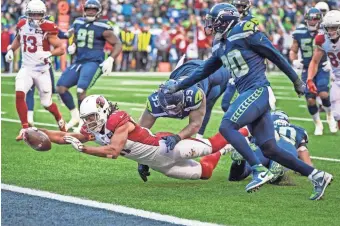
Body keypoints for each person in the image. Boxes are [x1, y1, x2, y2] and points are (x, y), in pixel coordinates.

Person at [163, 3, 333, 200]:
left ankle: (258, 169)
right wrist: (178, 86)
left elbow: (274, 55)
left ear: (224, 21)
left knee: (227, 126)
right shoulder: (220, 44)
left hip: (258, 89)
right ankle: (317, 176)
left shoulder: (245, 31)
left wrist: (296, 80)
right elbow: (204, 70)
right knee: (270, 149)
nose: (210, 25)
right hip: (249, 92)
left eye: (214, 21)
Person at [36, 95, 246, 181]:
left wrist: (85, 149)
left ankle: (247, 129)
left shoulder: (118, 120)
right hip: (157, 164)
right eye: (86, 118)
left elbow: (113, 151)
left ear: (102, 111)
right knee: (206, 173)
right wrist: (37, 132)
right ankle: (227, 150)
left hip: (167, 148)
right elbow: (65, 136)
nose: (89, 122)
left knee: (213, 143)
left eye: (91, 117)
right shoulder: (96, 128)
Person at [56, 0, 122, 131]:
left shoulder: (103, 26)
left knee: (81, 91)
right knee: (61, 88)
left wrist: (110, 59)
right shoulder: (78, 22)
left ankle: (84, 121)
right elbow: (74, 35)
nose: (90, 11)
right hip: (79, 61)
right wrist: (73, 44)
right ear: (84, 10)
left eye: (93, 9)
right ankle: (75, 116)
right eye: (88, 9)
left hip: (93, 62)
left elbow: (118, 43)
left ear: (98, 11)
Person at [5, 0, 66, 140]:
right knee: (20, 93)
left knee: (46, 103)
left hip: (42, 70)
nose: (35, 18)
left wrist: (49, 54)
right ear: (28, 13)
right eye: (32, 14)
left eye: (38, 15)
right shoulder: (22, 24)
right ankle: (25, 128)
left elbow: (61, 48)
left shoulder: (48, 27)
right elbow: (19, 38)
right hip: (26, 68)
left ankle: (59, 118)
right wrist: (11, 49)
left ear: (43, 14)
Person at [229, 110, 313, 183]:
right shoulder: (297, 129)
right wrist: (307, 168)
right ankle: (278, 168)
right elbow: (302, 150)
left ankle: (240, 163)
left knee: (241, 173)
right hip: (286, 147)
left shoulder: (262, 126)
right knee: (284, 162)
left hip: (263, 147)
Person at [290, 7, 337, 135]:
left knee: (324, 94)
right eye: (310, 19)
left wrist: (331, 60)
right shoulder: (299, 32)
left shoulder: (325, 31)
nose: (312, 21)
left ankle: (329, 116)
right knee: (310, 99)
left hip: (322, 67)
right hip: (307, 68)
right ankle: (318, 123)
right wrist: (294, 60)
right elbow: (293, 50)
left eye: (315, 18)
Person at [307, 10, 340, 131]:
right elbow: (315, 61)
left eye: (334, 27)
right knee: (337, 115)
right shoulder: (322, 39)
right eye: (328, 28)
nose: (331, 31)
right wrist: (310, 79)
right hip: (337, 81)